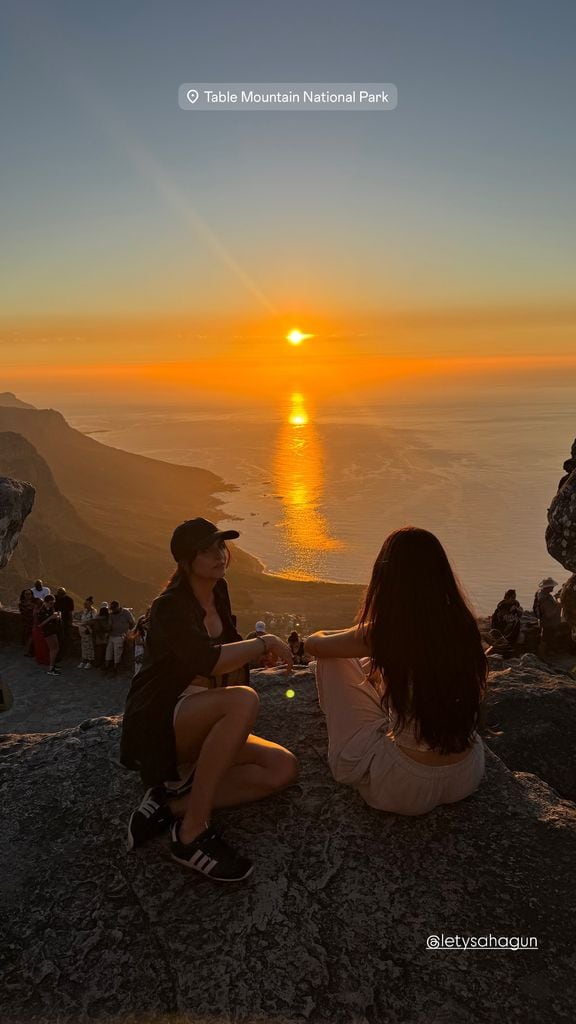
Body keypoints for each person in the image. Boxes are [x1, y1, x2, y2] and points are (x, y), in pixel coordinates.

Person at [121, 517, 297, 883]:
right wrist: (264, 642)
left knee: (282, 768)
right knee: (244, 701)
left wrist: (247, 650)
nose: (220, 555)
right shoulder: (169, 606)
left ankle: (168, 808)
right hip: (166, 720)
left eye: (221, 546)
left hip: (206, 715)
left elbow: (226, 647)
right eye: (207, 550)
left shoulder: (219, 590)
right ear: (187, 560)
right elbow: (206, 660)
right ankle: (191, 833)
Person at [304, 526, 487, 816]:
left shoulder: (386, 632)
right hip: (467, 773)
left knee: (334, 661)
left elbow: (315, 645)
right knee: (372, 668)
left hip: (403, 784)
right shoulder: (463, 625)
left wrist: (339, 633)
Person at [532, 577, 564, 653]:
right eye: (552, 586)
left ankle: (548, 653)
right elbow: (549, 614)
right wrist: (559, 605)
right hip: (547, 622)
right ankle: (543, 655)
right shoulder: (544, 598)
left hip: (547, 621)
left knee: (548, 638)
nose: (553, 587)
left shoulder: (543, 594)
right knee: (545, 639)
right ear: (547, 587)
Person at [105, 601, 135, 674]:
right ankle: (107, 667)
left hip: (120, 635)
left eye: (113, 609)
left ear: (117, 607)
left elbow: (132, 623)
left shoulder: (126, 613)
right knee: (108, 652)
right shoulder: (111, 614)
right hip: (112, 635)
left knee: (117, 653)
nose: (112, 610)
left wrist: (128, 633)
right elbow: (109, 625)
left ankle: (115, 668)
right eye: (111, 609)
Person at [37, 594, 62, 675]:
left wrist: (57, 616)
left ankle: (53, 665)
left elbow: (52, 618)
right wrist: (51, 617)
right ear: (45, 602)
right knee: (54, 649)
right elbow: (40, 624)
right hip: (48, 632)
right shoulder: (41, 611)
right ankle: (51, 669)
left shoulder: (50, 608)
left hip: (53, 630)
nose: (52, 605)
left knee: (56, 648)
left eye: (53, 603)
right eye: (51, 603)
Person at [128, 609, 150, 676]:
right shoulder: (142, 621)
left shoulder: (152, 622)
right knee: (139, 667)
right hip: (141, 649)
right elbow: (137, 640)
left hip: (146, 649)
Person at [78, 596, 98, 669]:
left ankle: (90, 661)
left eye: (86, 604)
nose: (84, 605)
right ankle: (84, 660)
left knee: (89, 646)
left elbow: (94, 621)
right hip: (82, 632)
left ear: (90, 604)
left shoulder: (93, 611)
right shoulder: (85, 611)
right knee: (83, 646)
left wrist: (87, 624)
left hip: (88, 631)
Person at [55, 587, 75, 656]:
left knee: (63, 637)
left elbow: (70, 612)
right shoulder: (54, 598)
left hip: (65, 622)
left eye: (61, 594)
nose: (60, 595)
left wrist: (71, 622)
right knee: (57, 637)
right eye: (59, 594)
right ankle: (57, 651)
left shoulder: (69, 600)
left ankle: (62, 652)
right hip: (55, 621)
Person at [92, 604, 111, 668]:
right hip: (106, 636)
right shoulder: (109, 618)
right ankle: (104, 663)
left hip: (99, 637)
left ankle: (98, 663)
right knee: (106, 651)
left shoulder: (97, 619)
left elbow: (95, 628)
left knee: (99, 651)